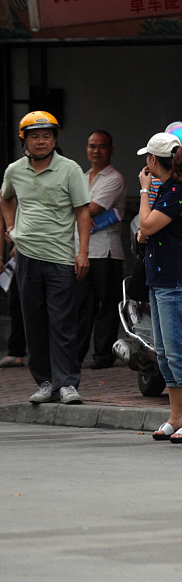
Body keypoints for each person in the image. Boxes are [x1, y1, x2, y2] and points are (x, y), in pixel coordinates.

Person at [0, 111, 91, 405]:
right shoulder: (14, 170)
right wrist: (12, 227)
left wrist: (83, 253)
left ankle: (67, 384)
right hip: (26, 258)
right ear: (24, 140)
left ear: (55, 139)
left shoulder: (70, 169)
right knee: (33, 323)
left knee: (62, 323)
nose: (42, 141)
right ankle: (46, 382)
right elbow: (5, 197)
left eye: (47, 135)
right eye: (35, 136)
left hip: (61, 259)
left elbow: (82, 212)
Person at [135, 132, 182, 443]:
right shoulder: (169, 189)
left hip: (176, 279)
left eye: (147, 160)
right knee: (164, 352)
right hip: (162, 277)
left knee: (179, 349)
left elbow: (146, 226)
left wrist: (142, 190)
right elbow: (145, 230)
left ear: (153, 161)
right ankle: (177, 415)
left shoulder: (176, 191)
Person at [75, 130, 127, 370]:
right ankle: (76, 355)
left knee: (107, 305)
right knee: (81, 306)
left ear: (111, 150)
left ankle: (103, 356)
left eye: (102, 146)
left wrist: (79, 210)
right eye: (92, 146)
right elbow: (81, 209)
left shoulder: (114, 178)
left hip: (106, 252)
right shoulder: (82, 177)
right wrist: (80, 210)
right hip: (81, 250)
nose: (96, 151)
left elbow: (92, 209)